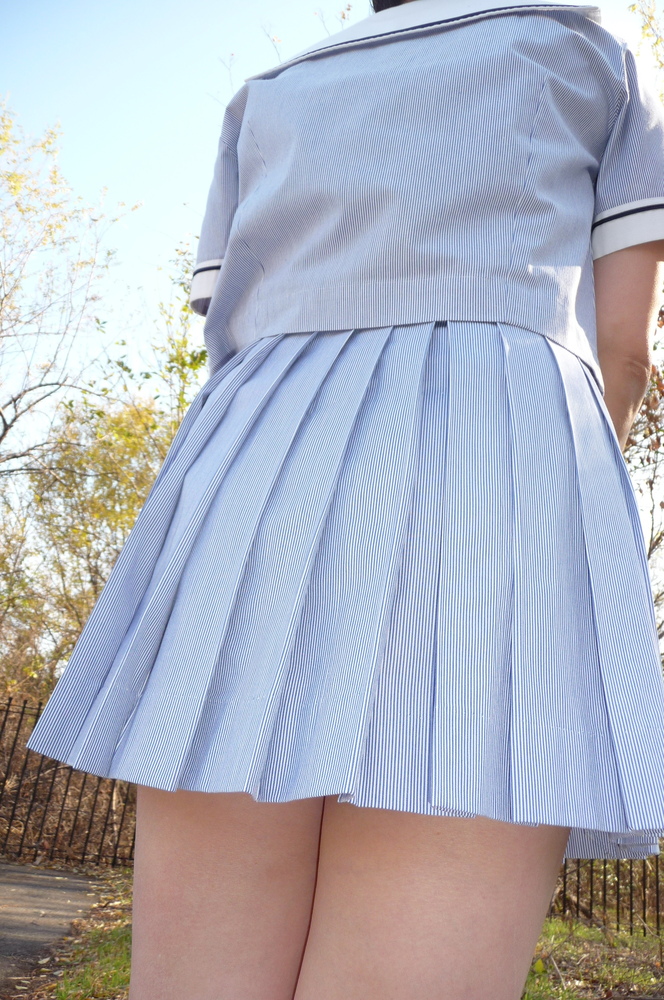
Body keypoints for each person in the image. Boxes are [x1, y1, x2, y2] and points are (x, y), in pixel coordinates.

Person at [26, 0, 664, 996]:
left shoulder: (271, 93)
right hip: (485, 468)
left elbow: (233, 327)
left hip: (247, 487)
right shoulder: (586, 43)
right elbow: (622, 347)